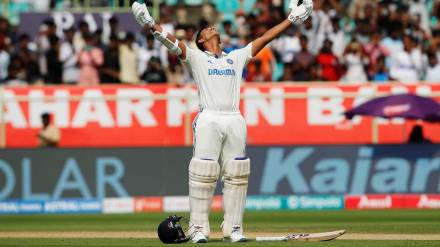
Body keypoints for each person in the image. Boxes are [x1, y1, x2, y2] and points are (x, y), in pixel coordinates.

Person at [132, 0, 313, 243]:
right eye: (206, 29)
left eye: (212, 27)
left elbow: (265, 39)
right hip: (209, 118)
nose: (212, 28)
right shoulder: (196, 57)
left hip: (234, 117)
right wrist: (150, 23)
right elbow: (173, 44)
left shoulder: (236, 57)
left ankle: (233, 228)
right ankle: (198, 228)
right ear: (201, 41)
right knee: (203, 171)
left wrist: (291, 20)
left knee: (237, 173)